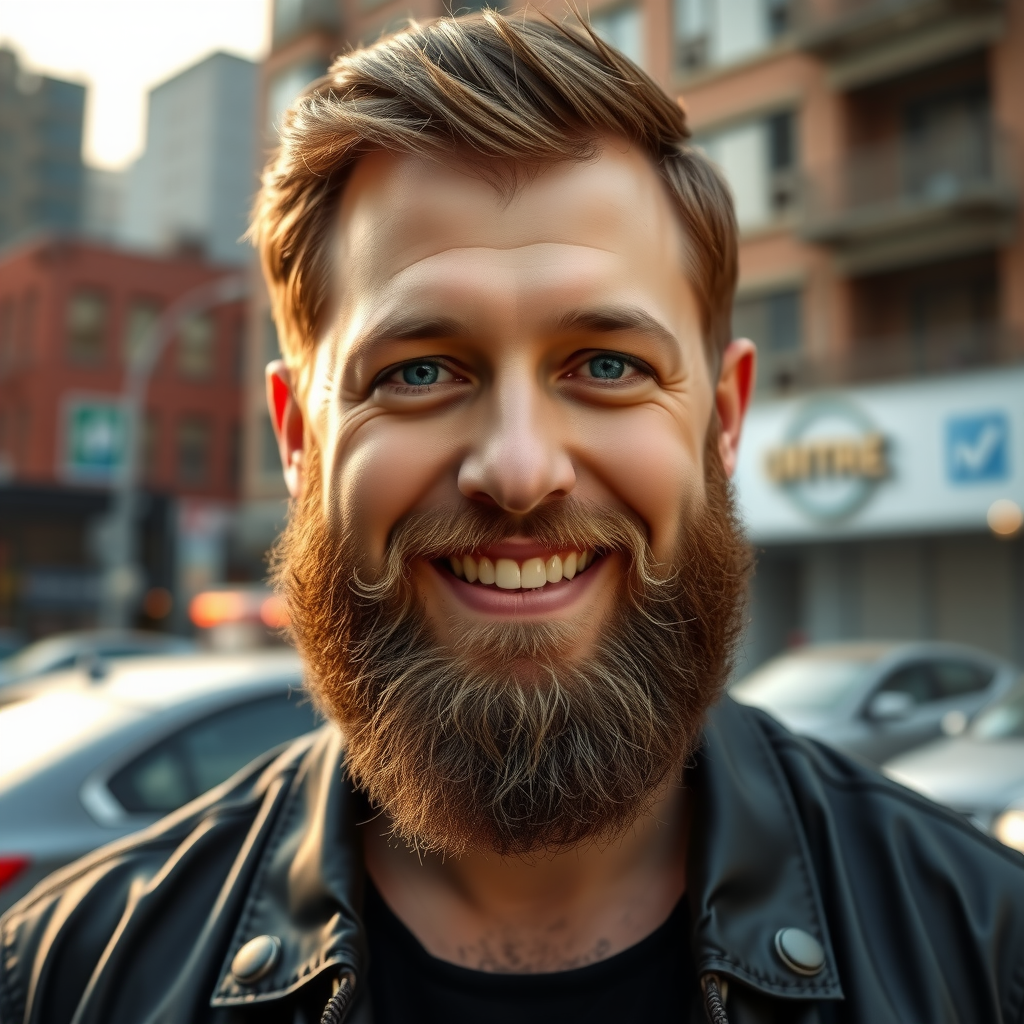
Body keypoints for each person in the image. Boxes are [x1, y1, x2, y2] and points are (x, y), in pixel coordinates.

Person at [2, 13, 1023, 1024]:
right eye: (418, 372)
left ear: (721, 420)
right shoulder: (57, 984)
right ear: (298, 438)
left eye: (608, 366)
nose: (521, 470)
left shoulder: (990, 955)